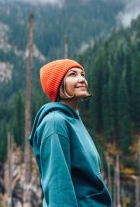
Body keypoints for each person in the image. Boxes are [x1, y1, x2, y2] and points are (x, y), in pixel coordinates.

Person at [29, 59, 112, 207]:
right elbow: (58, 187)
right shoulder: (55, 123)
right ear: (58, 85)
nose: (82, 79)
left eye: (82, 74)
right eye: (72, 75)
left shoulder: (74, 120)